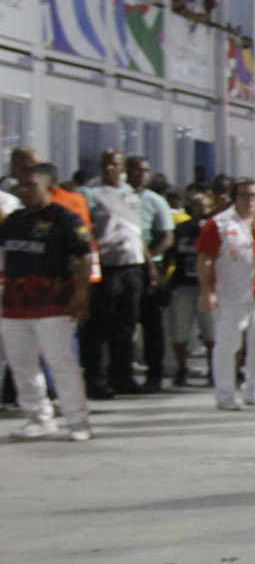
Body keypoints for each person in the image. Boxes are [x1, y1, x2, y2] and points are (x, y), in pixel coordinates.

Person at [1, 163, 93, 440]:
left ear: (49, 187)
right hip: (15, 304)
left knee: (60, 361)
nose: (24, 190)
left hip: (54, 303)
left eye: (32, 185)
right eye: (21, 185)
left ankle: (78, 422)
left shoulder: (66, 219)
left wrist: (81, 294)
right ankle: (38, 418)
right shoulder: (13, 220)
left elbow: (85, 257)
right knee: (21, 362)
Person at [196, 178, 255, 410]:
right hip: (230, 295)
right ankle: (225, 395)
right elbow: (205, 260)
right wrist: (207, 292)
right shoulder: (218, 224)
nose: (250, 200)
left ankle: (254, 391)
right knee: (227, 346)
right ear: (235, 198)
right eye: (245, 195)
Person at [81, 149, 151, 399]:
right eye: (106, 164)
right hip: (106, 266)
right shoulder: (91, 192)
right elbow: (85, 229)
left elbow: (139, 232)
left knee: (126, 325)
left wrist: (149, 267)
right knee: (98, 326)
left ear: (123, 168)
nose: (110, 168)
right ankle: (95, 380)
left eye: (115, 164)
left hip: (132, 265)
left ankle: (122, 376)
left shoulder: (131, 193)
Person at [126, 156, 174, 392]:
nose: (139, 175)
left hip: (151, 267)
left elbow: (167, 237)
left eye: (144, 171)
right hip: (124, 266)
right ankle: (122, 375)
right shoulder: (118, 198)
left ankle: (154, 375)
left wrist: (148, 257)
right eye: (134, 170)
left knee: (152, 324)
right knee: (123, 323)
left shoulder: (155, 201)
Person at [166, 188, 211, 385]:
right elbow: (171, 254)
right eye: (196, 206)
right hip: (183, 285)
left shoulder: (213, 228)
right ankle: (182, 367)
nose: (200, 210)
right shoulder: (181, 229)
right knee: (180, 330)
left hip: (206, 286)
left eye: (204, 206)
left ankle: (213, 369)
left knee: (211, 331)